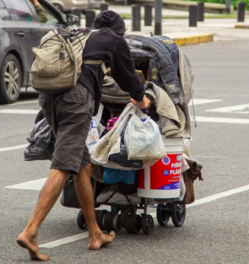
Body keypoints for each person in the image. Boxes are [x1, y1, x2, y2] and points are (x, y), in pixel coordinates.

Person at [16, 10, 151, 261]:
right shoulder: (114, 40)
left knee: (82, 164)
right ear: (119, 31)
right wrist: (141, 98)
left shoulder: (79, 34)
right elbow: (127, 76)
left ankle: (95, 233)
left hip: (48, 97)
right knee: (65, 163)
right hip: (75, 99)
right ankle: (31, 231)